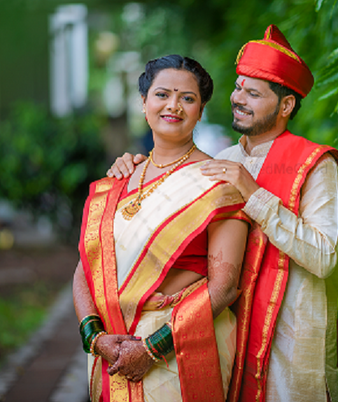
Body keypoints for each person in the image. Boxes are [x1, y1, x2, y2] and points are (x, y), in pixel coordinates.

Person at [108, 25, 338, 402]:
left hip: (290, 349)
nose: (239, 99)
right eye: (238, 87)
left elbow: (323, 257)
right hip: (226, 343)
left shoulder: (314, 166)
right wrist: (137, 169)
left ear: (286, 106)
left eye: (253, 93)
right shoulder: (221, 162)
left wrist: (254, 193)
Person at [73, 54, 250, 402]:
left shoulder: (218, 182)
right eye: (162, 94)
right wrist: (94, 336)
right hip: (112, 344)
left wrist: (154, 348)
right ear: (143, 103)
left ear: (200, 111)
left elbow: (225, 287)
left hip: (181, 349)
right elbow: (87, 267)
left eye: (188, 98)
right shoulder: (119, 180)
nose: (174, 106)